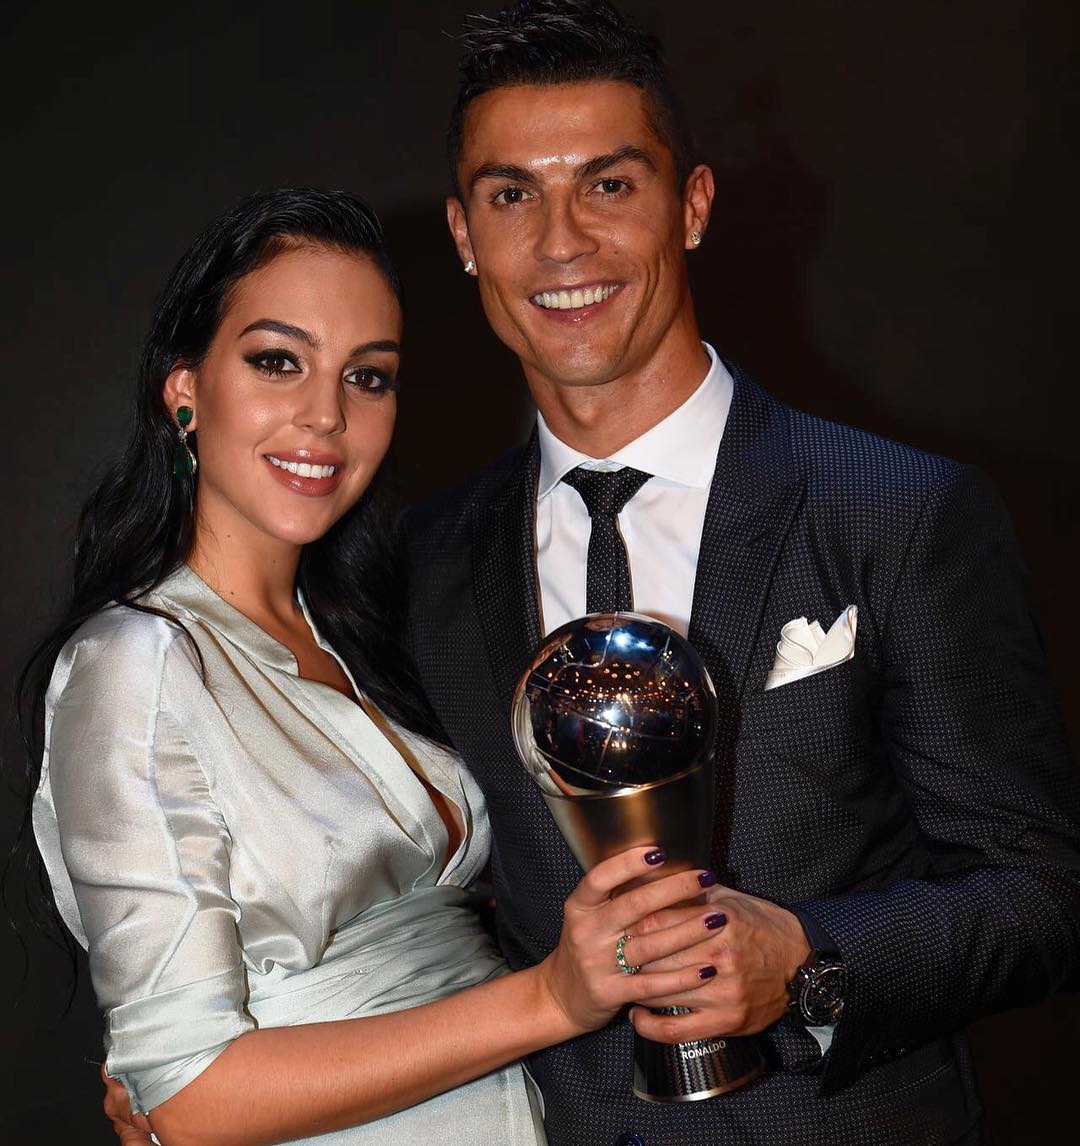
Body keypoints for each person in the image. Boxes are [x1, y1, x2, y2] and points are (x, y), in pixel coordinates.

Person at [395, 2, 1080, 1144]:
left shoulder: (897, 510)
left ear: (693, 205)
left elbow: (1045, 891)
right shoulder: (421, 562)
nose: (561, 242)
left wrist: (811, 964)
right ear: (465, 234)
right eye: (513, 196)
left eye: (610, 185)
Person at [23, 186, 729, 1145]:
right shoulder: (133, 666)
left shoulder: (373, 631)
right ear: (184, 390)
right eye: (278, 361)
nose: (325, 416)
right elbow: (190, 1099)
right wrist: (552, 999)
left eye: (367, 376)